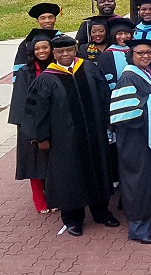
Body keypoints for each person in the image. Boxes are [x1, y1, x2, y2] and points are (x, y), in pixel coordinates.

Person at [23, 34, 118, 236]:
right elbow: (38, 112)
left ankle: (102, 213)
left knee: (99, 169)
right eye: (60, 51)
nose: (65, 54)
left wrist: (109, 123)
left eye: (69, 50)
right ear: (54, 54)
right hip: (64, 138)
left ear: (75, 50)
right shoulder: (47, 78)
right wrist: (42, 137)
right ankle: (73, 219)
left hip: (94, 134)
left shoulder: (89, 68)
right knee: (69, 176)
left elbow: (104, 97)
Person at [110, 39, 151, 244]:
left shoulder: (148, 72)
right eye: (140, 53)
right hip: (134, 139)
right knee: (137, 181)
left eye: (148, 53)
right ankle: (137, 227)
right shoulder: (128, 77)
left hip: (149, 135)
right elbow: (125, 114)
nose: (145, 56)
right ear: (131, 55)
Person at [8, 30, 53, 213]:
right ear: (32, 51)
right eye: (37, 48)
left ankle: (52, 197)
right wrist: (33, 133)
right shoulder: (25, 72)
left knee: (52, 165)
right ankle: (40, 201)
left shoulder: (56, 68)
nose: (41, 51)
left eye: (45, 47)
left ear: (51, 49)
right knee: (35, 165)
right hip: (31, 127)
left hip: (54, 124)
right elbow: (21, 103)